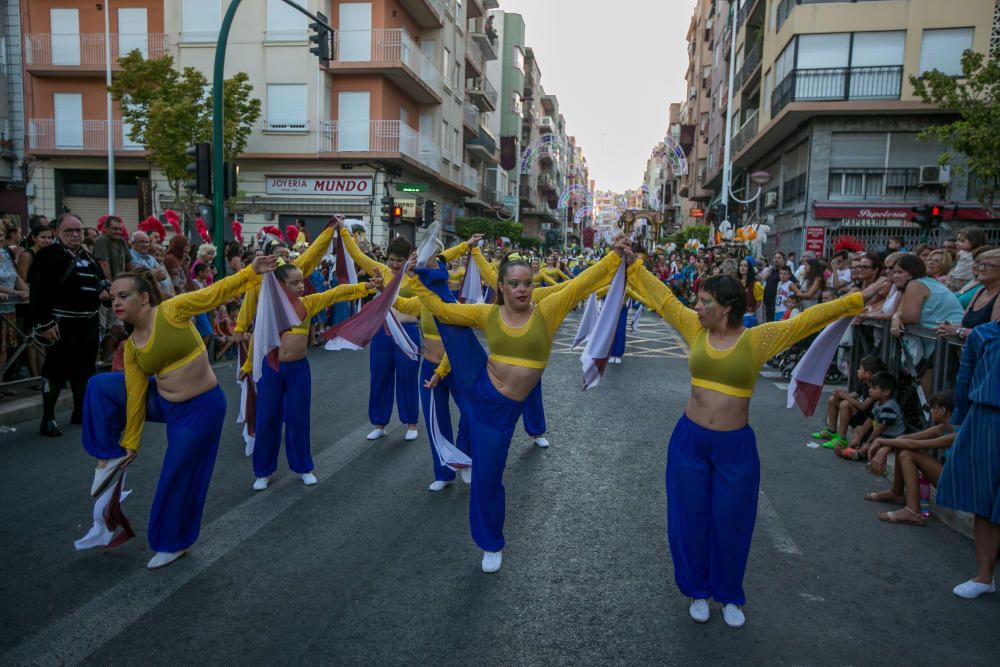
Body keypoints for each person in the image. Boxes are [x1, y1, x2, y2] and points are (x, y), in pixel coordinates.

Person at [628, 259, 887, 627]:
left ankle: (729, 594)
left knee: (732, 521)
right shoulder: (693, 327)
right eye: (698, 301)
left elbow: (804, 322)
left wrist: (858, 298)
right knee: (690, 519)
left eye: (705, 302)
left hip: (735, 448)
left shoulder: (756, 339)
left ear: (727, 306)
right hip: (690, 441)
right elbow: (663, 298)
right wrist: (632, 265)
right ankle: (697, 590)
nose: (697, 307)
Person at [414, 240, 632, 573]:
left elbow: (581, 283)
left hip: (507, 408)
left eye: (527, 283)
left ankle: (487, 526)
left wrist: (614, 257)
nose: (522, 289)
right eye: (514, 283)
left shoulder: (547, 310)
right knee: (488, 475)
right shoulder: (488, 314)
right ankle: (491, 543)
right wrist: (417, 281)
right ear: (500, 287)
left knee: (491, 473)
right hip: (484, 393)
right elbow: (444, 311)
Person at [80, 256, 277, 570]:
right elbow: (134, 397)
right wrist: (130, 443)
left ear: (144, 298)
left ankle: (173, 542)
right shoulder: (131, 348)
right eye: (113, 297)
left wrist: (250, 272)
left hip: (200, 410)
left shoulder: (172, 311)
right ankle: (108, 454)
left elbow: (215, 292)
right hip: (164, 403)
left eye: (124, 296)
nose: (116, 301)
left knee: (177, 476)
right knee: (101, 386)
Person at [246, 262, 380, 490]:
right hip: (271, 368)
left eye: (301, 281)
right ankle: (263, 471)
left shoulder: (308, 303)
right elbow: (254, 334)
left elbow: (336, 293)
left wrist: (365, 286)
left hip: (298, 369)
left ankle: (303, 467)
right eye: (294, 282)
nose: (300, 286)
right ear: (280, 285)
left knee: (299, 419)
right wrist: (248, 364)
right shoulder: (267, 305)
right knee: (267, 419)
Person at [935, 319, 1000, 598]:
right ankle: (984, 575)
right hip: (987, 419)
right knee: (983, 498)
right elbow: (965, 378)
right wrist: (961, 420)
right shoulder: (985, 334)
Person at [29, 214, 106, 436]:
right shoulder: (47, 255)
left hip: (88, 322)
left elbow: (99, 282)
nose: (75, 235)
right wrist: (45, 323)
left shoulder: (87, 256)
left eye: (79, 231)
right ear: (57, 233)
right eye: (69, 231)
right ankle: (48, 418)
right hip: (61, 323)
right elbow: (38, 291)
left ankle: (80, 412)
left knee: (84, 370)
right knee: (55, 372)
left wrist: (106, 292)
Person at [865, 391, 956, 526]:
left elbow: (913, 444)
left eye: (933, 408)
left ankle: (913, 511)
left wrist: (881, 442)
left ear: (942, 410)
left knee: (907, 452)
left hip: (958, 484)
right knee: (902, 447)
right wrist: (885, 447)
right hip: (949, 476)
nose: (931, 412)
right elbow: (904, 439)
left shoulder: (957, 433)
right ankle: (896, 492)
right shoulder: (942, 428)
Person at [812, 355, 884, 449]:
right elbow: (853, 395)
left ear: (868, 374)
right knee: (833, 399)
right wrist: (839, 394)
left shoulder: (874, 388)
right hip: (858, 415)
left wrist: (845, 396)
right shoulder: (864, 383)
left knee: (845, 404)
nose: (857, 371)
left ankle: (842, 439)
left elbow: (863, 406)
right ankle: (831, 431)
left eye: (860, 369)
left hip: (866, 421)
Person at [838, 372, 904, 461]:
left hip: (891, 437)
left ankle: (859, 454)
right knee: (858, 429)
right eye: (870, 387)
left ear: (886, 392)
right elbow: (869, 421)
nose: (870, 390)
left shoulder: (889, 407)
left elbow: (880, 428)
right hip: (881, 434)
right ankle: (854, 446)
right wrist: (859, 437)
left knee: (871, 446)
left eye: (874, 388)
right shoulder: (878, 403)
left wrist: (868, 442)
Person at [938, 249, 1000, 340]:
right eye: (981, 264)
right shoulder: (980, 291)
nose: (981, 269)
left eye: (989, 265)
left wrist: (959, 331)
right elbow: (966, 324)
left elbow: (993, 333)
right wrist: (949, 328)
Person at [737, 258, 763, 328]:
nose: (742, 267)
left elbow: (759, 301)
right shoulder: (736, 282)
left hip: (748, 316)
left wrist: (753, 309)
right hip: (737, 317)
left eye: (745, 266)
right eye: (741, 265)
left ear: (749, 268)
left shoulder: (755, 284)